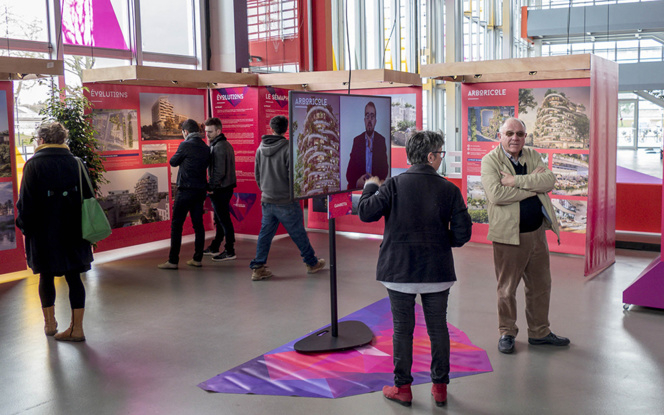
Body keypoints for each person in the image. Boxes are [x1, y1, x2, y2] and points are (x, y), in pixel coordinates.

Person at [358, 130, 472, 407]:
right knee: (438, 328)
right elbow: (462, 234)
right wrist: (441, 242)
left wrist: (370, 186)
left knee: (402, 330)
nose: (441, 159)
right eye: (441, 154)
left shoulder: (393, 185)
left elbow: (365, 212)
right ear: (431, 156)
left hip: (399, 271)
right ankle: (440, 388)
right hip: (437, 272)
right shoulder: (449, 189)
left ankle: (403, 388)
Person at [480, 117, 569, 354]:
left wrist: (515, 182)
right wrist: (532, 187)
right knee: (507, 289)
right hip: (508, 237)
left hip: (537, 234)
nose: (515, 138)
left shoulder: (532, 155)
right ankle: (507, 332)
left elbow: (549, 181)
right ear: (500, 135)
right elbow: (497, 195)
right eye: (509, 133)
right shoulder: (490, 161)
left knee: (541, 286)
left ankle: (539, 332)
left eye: (520, 134)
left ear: (525, 137)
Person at [16, 122, 94, 342]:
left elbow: (26, 205)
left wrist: (25, 228)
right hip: (75, 231)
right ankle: (76, 328)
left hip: (44, 234)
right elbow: (89, 198)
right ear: (62, 139)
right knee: (74, 278)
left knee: (46, 277)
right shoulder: (77, 163)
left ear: (41, 139)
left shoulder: (33, 166)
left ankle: (50, 325)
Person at [249, 115, 325, 281]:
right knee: (298, 233)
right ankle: (312, 263)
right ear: (286, 129)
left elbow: (257, 174)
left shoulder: (260, 148)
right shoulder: (290, 148)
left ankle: (258, 268)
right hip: (286, 201)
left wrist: (265, 190)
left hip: (267, 200)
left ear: (271, 128)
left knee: (265, 235)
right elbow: (295, 177)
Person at [158, 119, 210, 269]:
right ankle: (197, 259)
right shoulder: (205, 147)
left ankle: (173, 261)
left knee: (176, 226)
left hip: (185, 190)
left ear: (186, 132)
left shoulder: (185, 145)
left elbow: (173, 162)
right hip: (200, 191)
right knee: (198, 225)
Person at [203, 117, 237, 262]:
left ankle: (230, 250)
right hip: (225, 188)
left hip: (220, 189)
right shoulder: (225, 144)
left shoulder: (218, 147)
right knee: (220, 219)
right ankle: (215, 246)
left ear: (218, 130)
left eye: (210, 131)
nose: (207, 134)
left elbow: (219, 172)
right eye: (206, 132)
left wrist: (211, 186)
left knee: (223, 220)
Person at [346, 101, 389, 189]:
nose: (369, 120)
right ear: (364, 120)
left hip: (375, 189)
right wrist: (357, 182)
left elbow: (384, 171)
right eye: (367, 116)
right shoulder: (357, 141)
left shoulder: (381, 141)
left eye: (372, 116)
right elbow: (349, 173)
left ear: (375, 121)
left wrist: (374, 181)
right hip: (360, 189)